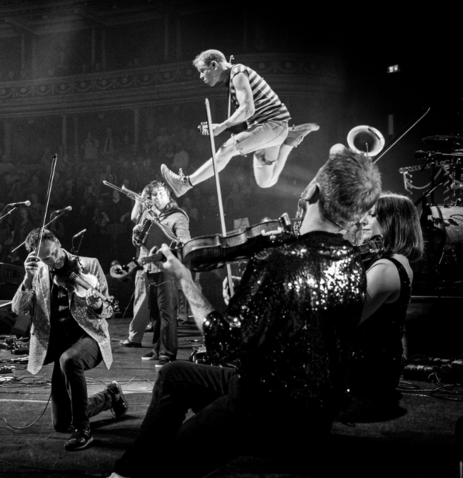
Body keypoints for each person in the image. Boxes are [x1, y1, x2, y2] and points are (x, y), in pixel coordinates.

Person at [110, 148, 381, 478]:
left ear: (312, 191)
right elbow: (305, 319)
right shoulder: (354, 265)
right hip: (318, 411)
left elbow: (223, 343)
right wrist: (253, 297)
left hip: (262, 405)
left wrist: (183, 278)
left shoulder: (278, 259)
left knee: (167, 466)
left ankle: (140, 472)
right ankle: (126, 471)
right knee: (174, 375)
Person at [12, 228, 127, 451]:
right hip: (60, 347)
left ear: (58, 242)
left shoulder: (89, 265)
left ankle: (84, 430)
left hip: (89, 338)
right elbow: (18, 308)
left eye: (54, 252)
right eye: (46, 258)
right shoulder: (38, 273)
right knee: (61, 423)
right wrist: (27, 278)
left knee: (69, 360)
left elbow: (109, 310)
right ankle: (110, 396)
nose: (53, 260)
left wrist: (96, 304)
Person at [161, 49, 319, 198]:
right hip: (268, 130)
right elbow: (249, 116)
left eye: (203, 70)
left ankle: (185, 183)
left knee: (225, 150)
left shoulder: (237, 73)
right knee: (265, 181)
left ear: (214, 65)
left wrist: (222, 126)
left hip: (272, 125)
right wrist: (221, 127)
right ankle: (288, 142)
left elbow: (247, 110)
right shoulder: (232, 80)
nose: (201, 76)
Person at [340, 192, 423, 422]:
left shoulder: (386, 267)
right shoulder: (397, 262)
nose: (363, 220)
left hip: (367, 374)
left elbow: (345, 321)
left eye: (372, 215)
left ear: (393, 223)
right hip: (381, 368)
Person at [120, 181, 191, 368]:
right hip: (149, 270)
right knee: (154, 313)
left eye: (161, 194)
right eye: (154, 195)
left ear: (168, 195)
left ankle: (168, 354)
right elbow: (139, 242)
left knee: (167, 312)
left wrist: (165, 247)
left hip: (166, 270)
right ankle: (158, 349)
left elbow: (184, 242)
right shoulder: (147, 214)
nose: (157, 198)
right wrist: (136, 235)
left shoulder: (178, 217)